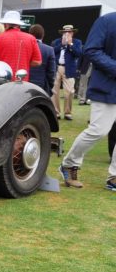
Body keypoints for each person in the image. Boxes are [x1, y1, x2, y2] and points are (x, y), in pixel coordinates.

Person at [58, 12, 116, 190]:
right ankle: (69, 163)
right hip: (107, 85)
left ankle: (114, 177)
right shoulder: (107, 21)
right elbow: (91, 50)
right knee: (98, 130)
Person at [0, 10, 41, 81]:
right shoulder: (31, 38)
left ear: (5, 24)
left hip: (2, 81)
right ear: (19, 24)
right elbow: (37, 62)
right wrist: (24, 62)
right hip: (22, 81)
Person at [51, 24, 83, 120]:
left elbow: (79, 54)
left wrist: (70, 44)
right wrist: (62, 44)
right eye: (65, 32)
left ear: (72, 33)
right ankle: (56, 112)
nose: (67, 33)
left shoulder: (77, 42)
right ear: (62, 33)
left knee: (69, 92)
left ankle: (67, 113)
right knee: (54, 91)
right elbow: (51, 51)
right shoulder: (56, 41)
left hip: (69, 69)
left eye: (69, 32)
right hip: (56, 68)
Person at [28, 24, 57, 96]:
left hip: (25, 82)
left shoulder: (24, 47)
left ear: (29, 34)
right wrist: (50, 85)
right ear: (43, 35)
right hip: (41, 84)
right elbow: (51, 71)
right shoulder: (49, 50)